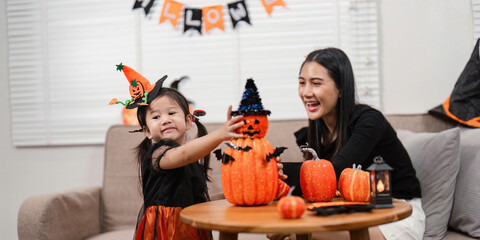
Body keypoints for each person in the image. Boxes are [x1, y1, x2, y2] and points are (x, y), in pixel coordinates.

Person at [270, 48, 425, 240]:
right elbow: (318, 191)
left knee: (298, 235)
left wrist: (271, 172)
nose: (306, 92)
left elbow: (333, 173)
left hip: (396, 210)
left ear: (341, 89)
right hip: (353, 209)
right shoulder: (315, 132)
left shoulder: (369, 122)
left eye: (316, 83)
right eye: (302, 83)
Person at [132, 77, 244, 240]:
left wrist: (227, 196)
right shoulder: (158, 155)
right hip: (166, 231)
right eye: (156, 117)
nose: (165, 120)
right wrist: (220, 134)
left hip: (191, 226)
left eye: (171, 113)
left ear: (187, 121)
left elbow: (191, 198)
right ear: (147, 131)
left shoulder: (192, 157)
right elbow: (183, 154)